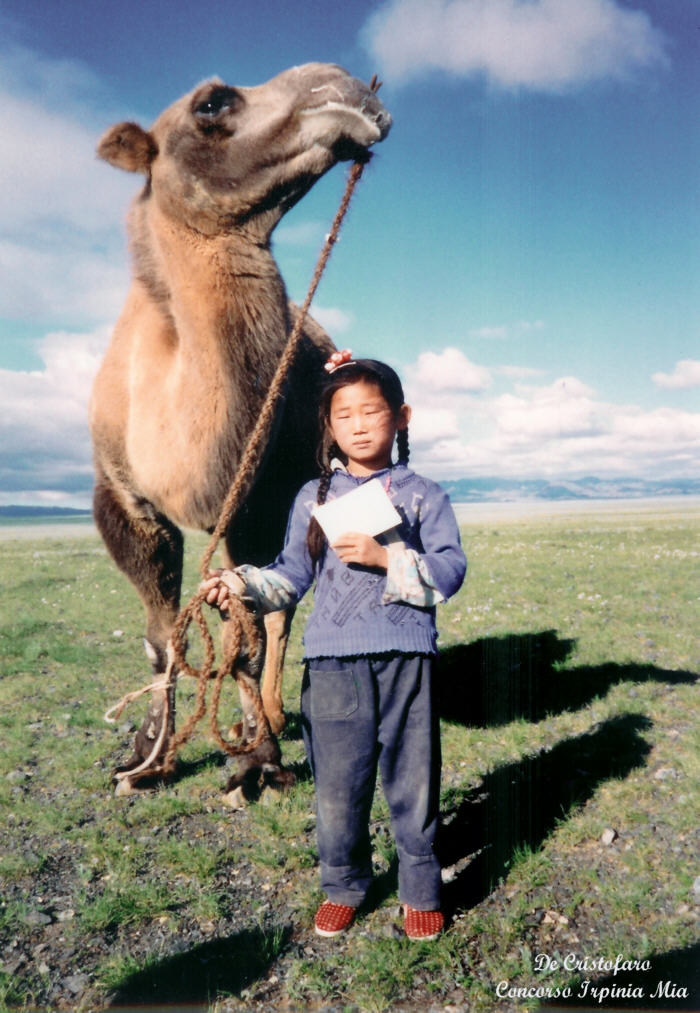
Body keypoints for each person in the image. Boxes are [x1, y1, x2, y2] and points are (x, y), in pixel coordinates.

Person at [201, 352, 466, 940]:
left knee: (413, 779)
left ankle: (420, 887)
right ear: (330, 427)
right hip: (332, 665)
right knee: (338, 788)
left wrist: (386, 557)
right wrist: (240, 584)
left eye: (372, 410)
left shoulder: (424, 495)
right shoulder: (309, 500)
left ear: (402, 417)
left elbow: (450, 571)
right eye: (344, 414)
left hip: (407, 661)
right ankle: (344, 883)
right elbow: (291, 574)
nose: (359, 423)